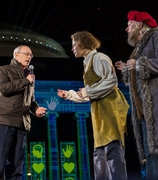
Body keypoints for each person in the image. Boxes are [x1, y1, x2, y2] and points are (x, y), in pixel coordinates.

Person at [115, 10, 158, 179]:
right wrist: (128, 69)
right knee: (153, 158)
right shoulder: (138, 49)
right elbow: (140, 78)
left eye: (129, 24)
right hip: (146, 114)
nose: (126, 29)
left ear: (139, 25)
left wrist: (139, 65)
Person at [57, 31, 129, 180]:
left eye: (74, 45)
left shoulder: (99, 58)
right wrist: (69, 95)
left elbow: (111, 81)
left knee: (112, 150)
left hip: (110, 110)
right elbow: (89, 94)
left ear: (82, 43)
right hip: (99, 113)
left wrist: (87, 90)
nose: (72, 49)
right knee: (99, 154)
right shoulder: (87, 63)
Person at [0, 45, 47, 180]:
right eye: (26, 54)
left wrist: (36, 109)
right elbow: (3, 88)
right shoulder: (4, 70)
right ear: (16, 55)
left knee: (16, 166)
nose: (29, 57)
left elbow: (30, 100)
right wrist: (25, 81)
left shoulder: (28, 76)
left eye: (31, 55)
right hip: (5, 120)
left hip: (22, 124)